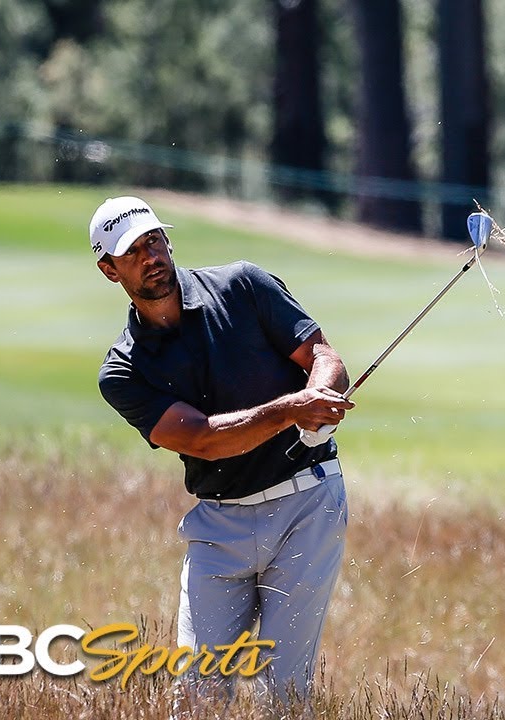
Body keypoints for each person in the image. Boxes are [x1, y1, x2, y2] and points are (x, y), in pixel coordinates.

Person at [90, 196, 354, 704]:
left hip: (306, 504)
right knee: (195, 695)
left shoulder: (244, 285)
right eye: (133, 252)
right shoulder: (123, 370)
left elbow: (321, 355)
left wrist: (319, 399)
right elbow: (202, 439)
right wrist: (293, 409)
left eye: (154, 241)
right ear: (109, 270)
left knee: (283, 691)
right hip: (218, 525)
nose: (151, 257)